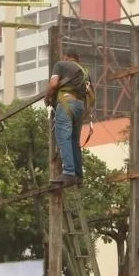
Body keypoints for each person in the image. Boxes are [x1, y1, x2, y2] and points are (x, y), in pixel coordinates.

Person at [44, 51, 95, 187]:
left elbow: (54, 84)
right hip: (80, 107)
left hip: (66, 104)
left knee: (63, 137)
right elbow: (91, 94)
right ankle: (78, 174)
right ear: (78, 59)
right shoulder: (85, 72)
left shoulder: (60, 64)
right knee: (73, 140)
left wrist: (47, 97)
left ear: (66, 57)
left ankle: (69, 172)